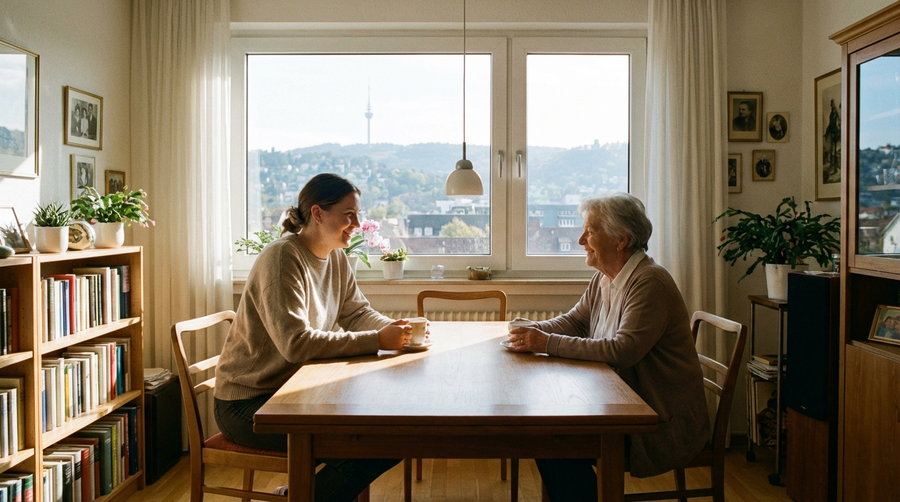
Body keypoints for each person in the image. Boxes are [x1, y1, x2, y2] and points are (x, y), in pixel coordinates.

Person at [213, 173, 413, 501]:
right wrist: (378, 340)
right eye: (349, 214)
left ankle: (300, 494)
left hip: (296, 394)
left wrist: (399, 330)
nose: (358, 224)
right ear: (318, 213)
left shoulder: (336, 258)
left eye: (358, 214)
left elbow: (358, 312)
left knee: (385, 438)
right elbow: (297, 344)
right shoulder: (282, 258)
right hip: (249, 404)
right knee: (369, 448)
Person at [506, 192, 709, 501]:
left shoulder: (649, 282)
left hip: (658, 422)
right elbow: (575, 321)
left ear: (621, 240)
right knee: (549, 436)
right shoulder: (605, 277)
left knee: (552, 442)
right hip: (620, 403)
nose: (580, 240)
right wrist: (533, 330)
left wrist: (545, 342)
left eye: (589, 231)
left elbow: (622, 350)